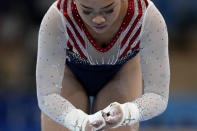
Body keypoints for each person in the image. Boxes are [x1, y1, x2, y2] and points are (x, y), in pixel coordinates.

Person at [36, 0, 170, 130]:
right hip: (70, 75)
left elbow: (158, 96)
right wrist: (77, 120)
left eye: (109, 9)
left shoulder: (146, 17)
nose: (98, 19)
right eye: (86, 11)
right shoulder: (58, 17)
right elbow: (47, 96)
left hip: (121, 74)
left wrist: (126, 113)